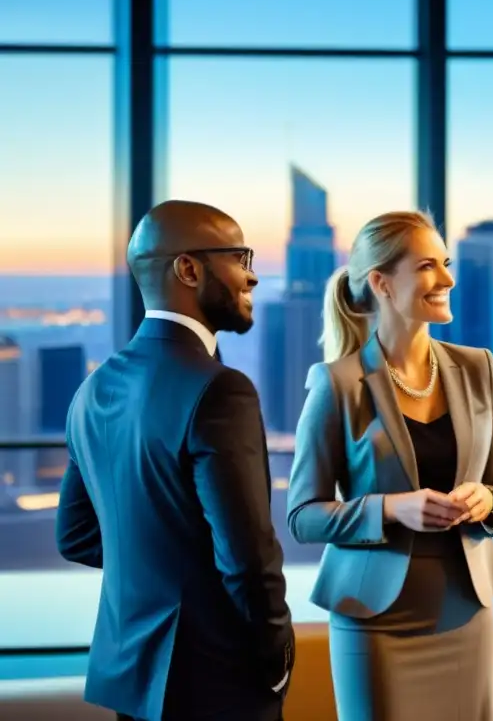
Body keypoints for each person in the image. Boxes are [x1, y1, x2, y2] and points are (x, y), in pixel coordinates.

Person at [55, 200, 295, 721]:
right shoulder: (220, 389)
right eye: (241, 257)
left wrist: (163, 575)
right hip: (217, 681)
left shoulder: (92, 390)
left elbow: (74, 537)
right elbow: (247, 559)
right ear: (188, 268)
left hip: (134, 679)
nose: (252, 278)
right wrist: (278, 658)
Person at [286, 210, 493, 721]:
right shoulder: (337, 383)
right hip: (375, 621)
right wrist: (392, 509)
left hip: (467, 612)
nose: (449, 279)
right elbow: (302, 515)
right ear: (382, 283)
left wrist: (490, 500)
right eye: (429, 266)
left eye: (448, 263)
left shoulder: (480, 369)